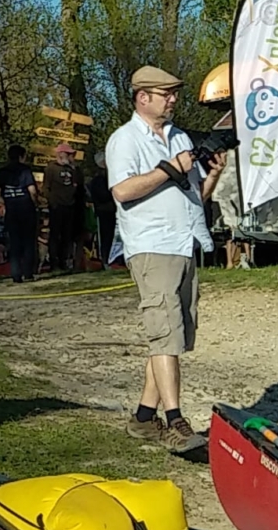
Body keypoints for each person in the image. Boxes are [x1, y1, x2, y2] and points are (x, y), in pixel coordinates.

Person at [105, 64, 206, 441]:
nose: (173, 100)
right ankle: (176, 421)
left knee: (170, 337)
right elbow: (123, 191)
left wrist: (209, 175)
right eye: (167, 94)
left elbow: (194, 195)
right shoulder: (125, 140)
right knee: (165, 333)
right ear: (142, 97)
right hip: (151, 244)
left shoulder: (180, 137)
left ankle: (144, 418)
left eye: (175, 93)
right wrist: (169, 168)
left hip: (184, 242)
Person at [0, 143, 41, 283]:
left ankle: (15, 274)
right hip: (26, 209)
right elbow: (32, 190)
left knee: (14, 242)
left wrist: (6, 202)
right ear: (21, 156)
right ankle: (28, 273)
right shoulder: (25, 170)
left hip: (11, 210)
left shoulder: (2, 172)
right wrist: (35, 202)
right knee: (28, 241)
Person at [44, 140, 84, 273]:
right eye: (69, 154)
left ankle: (64, 261)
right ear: (61, 154)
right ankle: (54, 262)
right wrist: (52, 202)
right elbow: (46, 187)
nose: (71, 157)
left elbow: (77, 185)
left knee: (67, 235)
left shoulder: (73, 169)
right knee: (55, 235)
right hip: (57, 206)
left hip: (70, 205)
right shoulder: (51, 168)